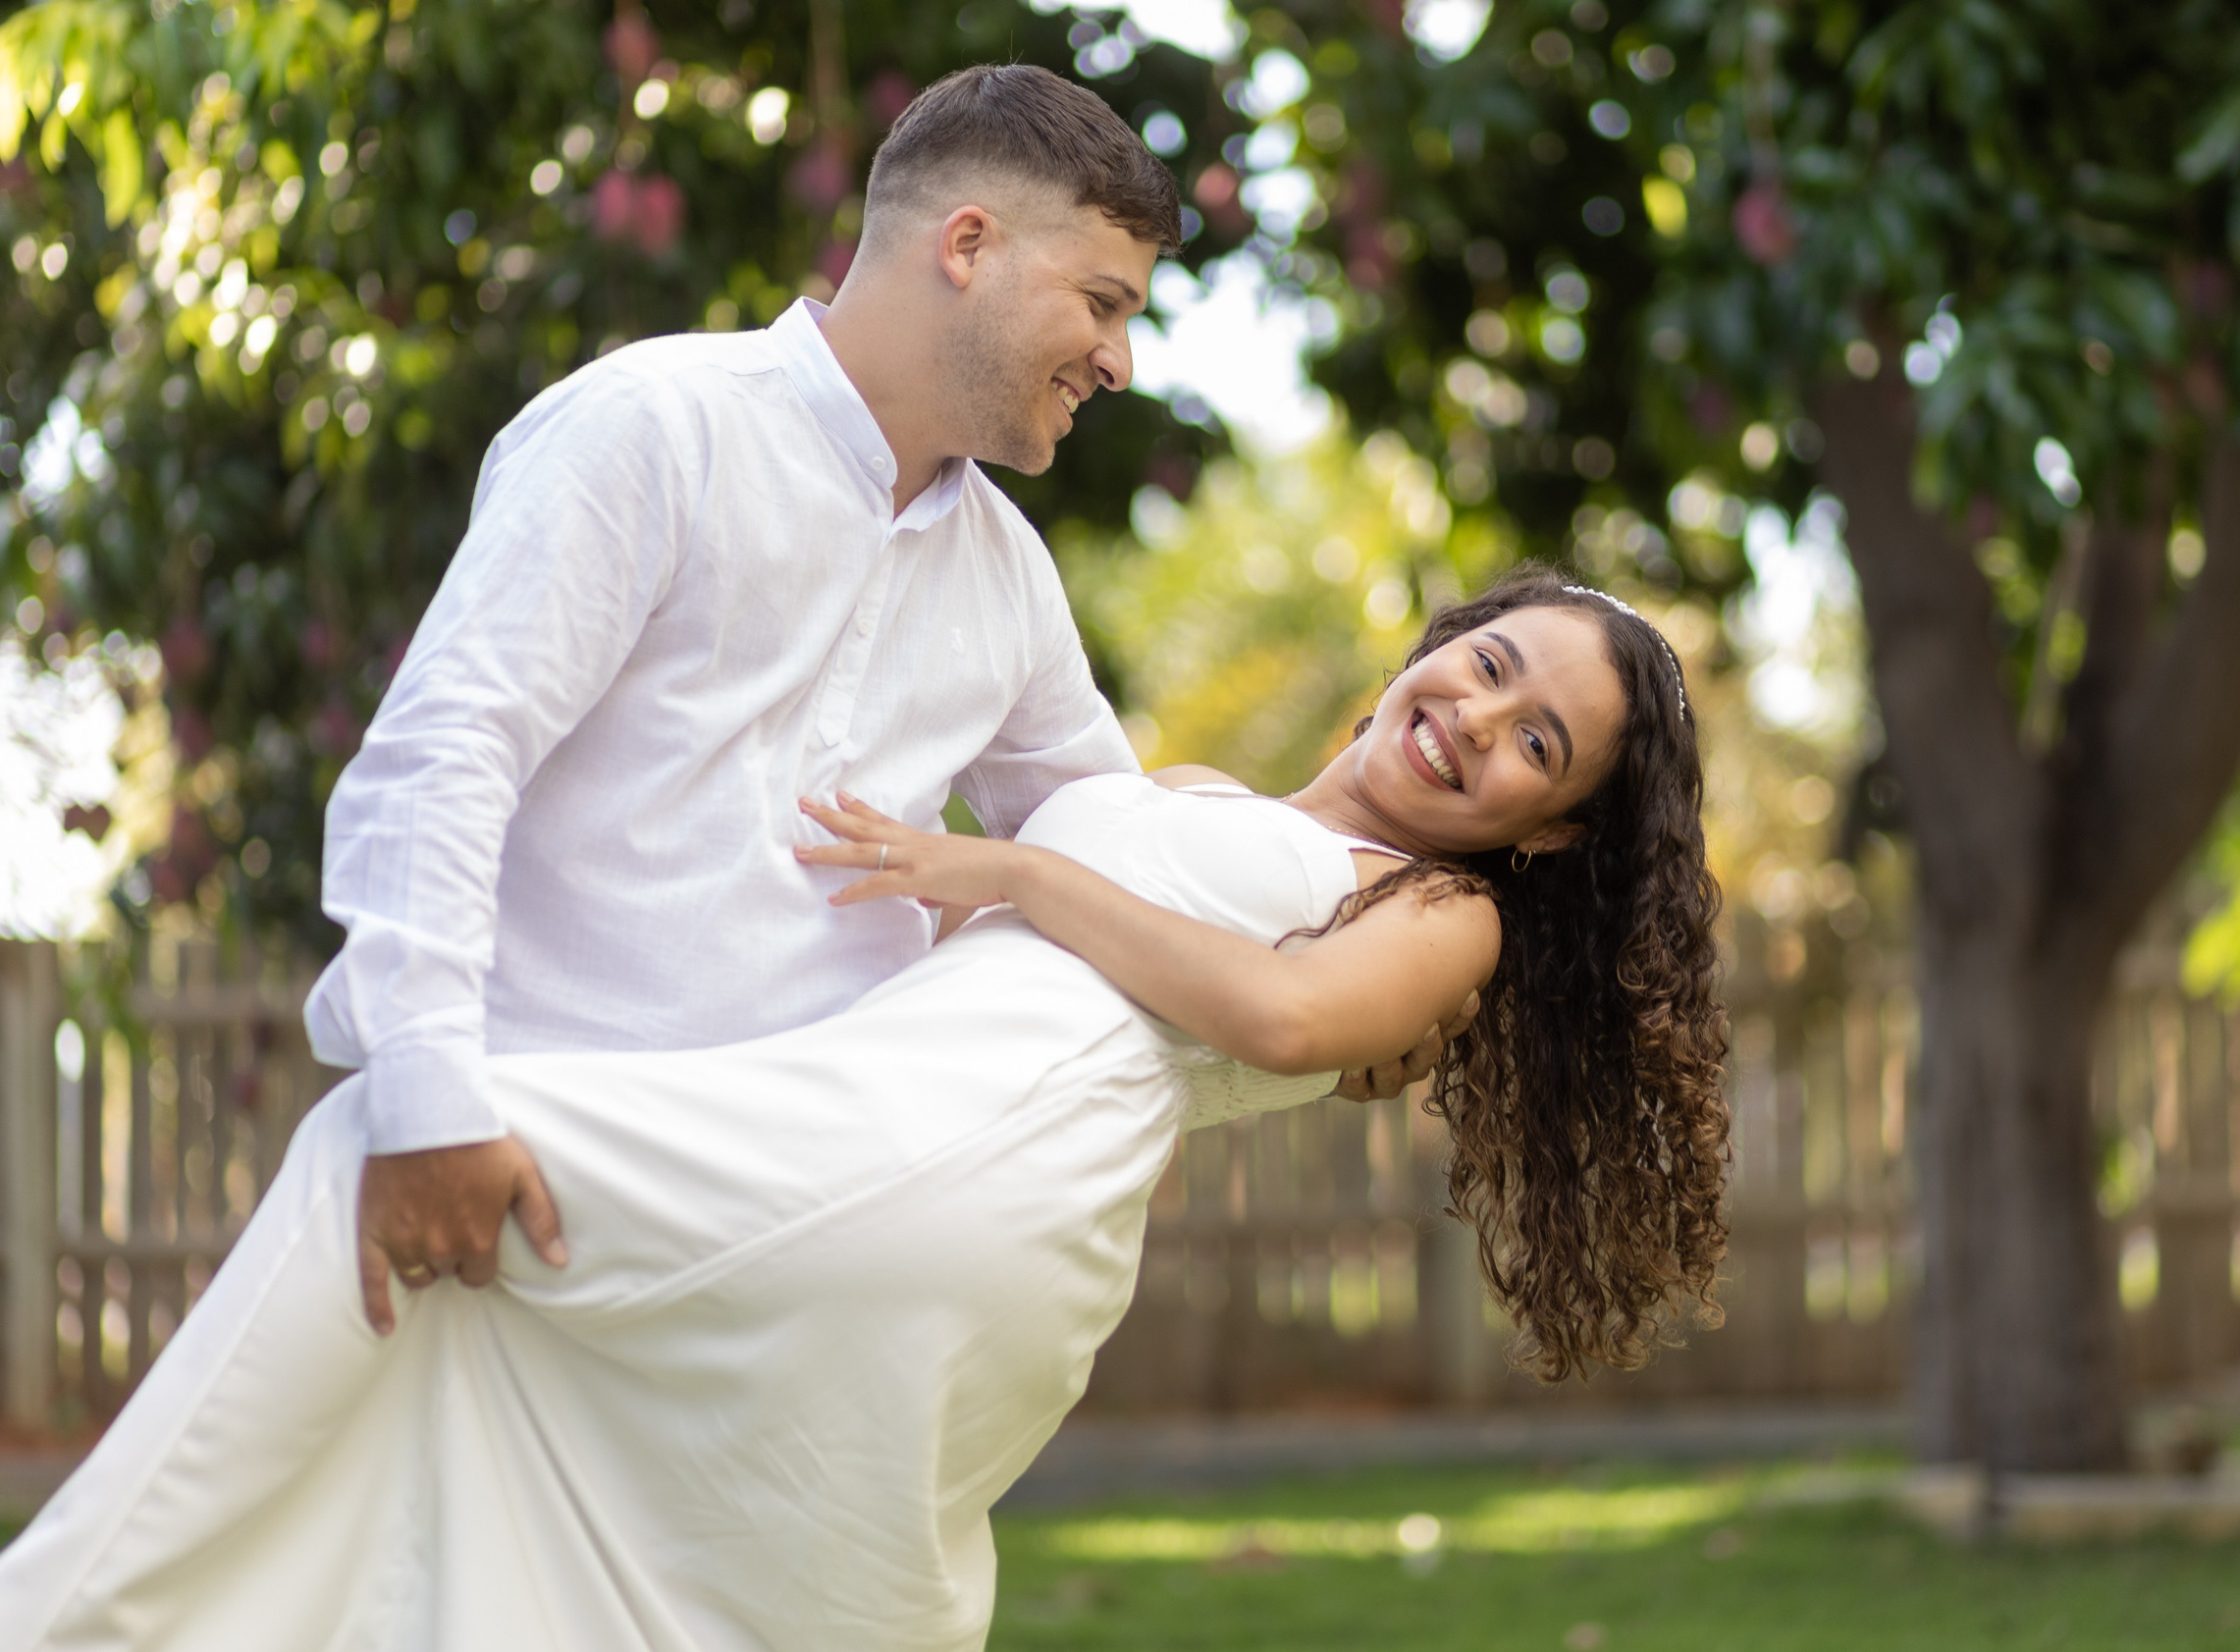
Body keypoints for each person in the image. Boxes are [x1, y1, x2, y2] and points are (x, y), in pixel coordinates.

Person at [0, 568, 1730, 1652]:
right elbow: (965, 931)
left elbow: (1275, 1016)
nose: (1482, 721)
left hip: (965, 1177)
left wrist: (1014, 870)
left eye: (1538, 748)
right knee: (549, 1418)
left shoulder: (1446, 916)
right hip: (891, 1125)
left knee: (377, 1156)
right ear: (1435, 643)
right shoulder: (1183, 796)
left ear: (1549, 834)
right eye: (1492, 666)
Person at [300, 62, 1446, 1340]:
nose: (1118, 361)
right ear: (968, 244)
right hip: (517, 1188)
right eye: (1103, 303)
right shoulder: (654, 430)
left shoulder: (1007, 574)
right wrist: (428, 1103)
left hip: (810, 1247)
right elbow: (445, 757)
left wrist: (1344, 999)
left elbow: (1129, 859)